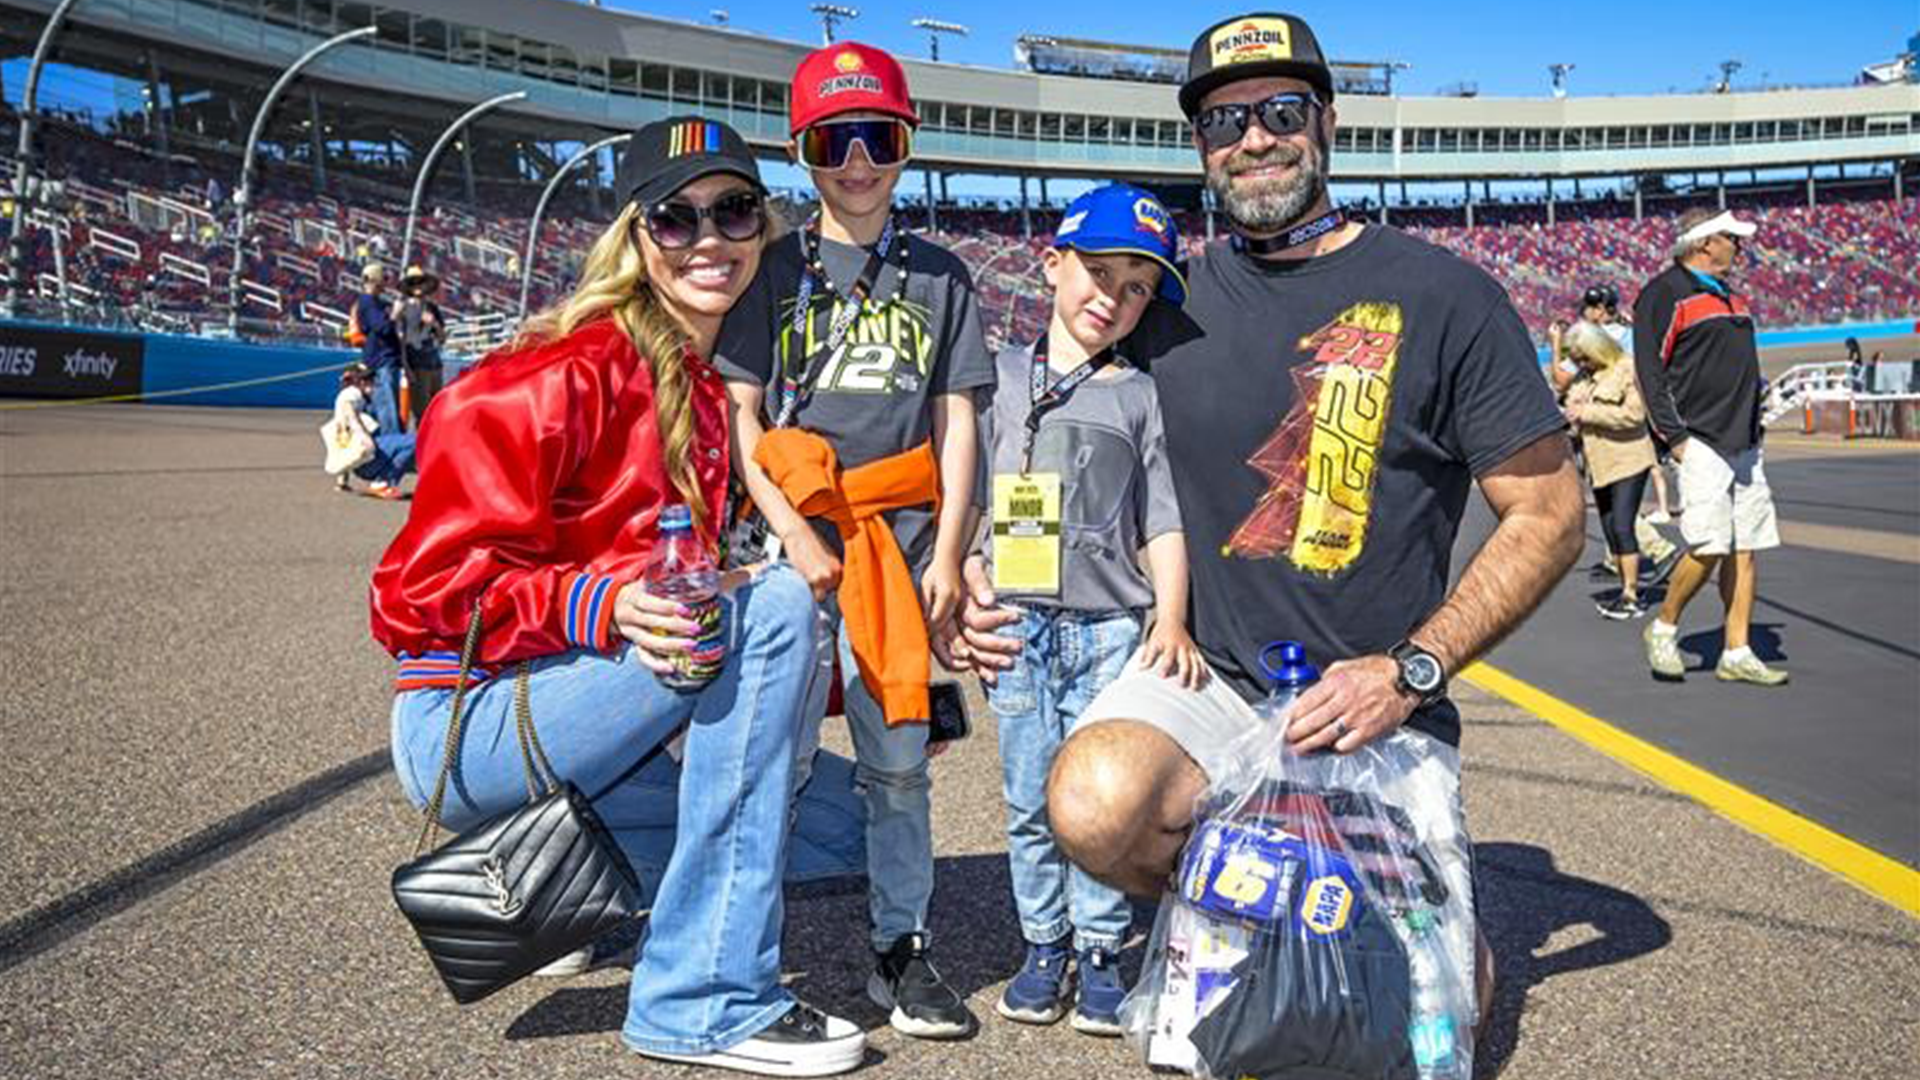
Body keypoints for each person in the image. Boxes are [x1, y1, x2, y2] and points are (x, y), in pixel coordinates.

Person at [943, 10, 1585, 1035]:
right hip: (1208, 681)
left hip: (1368, 699)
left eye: (1280, 111)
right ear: (1200, 148)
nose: (1253, 139)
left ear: (1325, 122)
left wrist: (1412, 670)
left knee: (1430, 1012)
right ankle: (1267, 905)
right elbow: (1049, 437)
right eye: (1223, 122)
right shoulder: (1164, 303)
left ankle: (1316, 908)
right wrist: (979, 572)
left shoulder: (1449, 296)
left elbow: (1550, 514)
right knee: (1092, 802)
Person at [370, 116, 866, 1078]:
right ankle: (701, 998)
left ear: (762, 228)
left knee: (852, 826)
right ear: (637, 238)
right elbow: (417, 596)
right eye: (676, 219)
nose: (709, 238)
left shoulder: (697, 384)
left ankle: (569, 893)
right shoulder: (555, 374)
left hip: (592, 709)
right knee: (764, 607)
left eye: (732, 211)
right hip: (466, 718)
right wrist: (599, 606)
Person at [716, 41, 994, 1040]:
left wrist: (951, 551)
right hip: (793, 548)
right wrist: (788, 532)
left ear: (907, 144)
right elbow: (741, 416)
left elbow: (958, 422)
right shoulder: (769, 269)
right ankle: (739, 948)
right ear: (806, 150)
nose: (859, 160)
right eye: (837, 139)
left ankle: (900, 947)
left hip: (900, 550)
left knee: (900, 762)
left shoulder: (943, 276)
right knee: (772, 759)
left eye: (880, 136)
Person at [977, 183, 1200, 1036]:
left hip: (1111, 629)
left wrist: (1170, 618)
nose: (1111, 296)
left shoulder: (1139, 395)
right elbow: (960, 495)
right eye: (1096, 271)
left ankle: (1102, 947)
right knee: (1031, 798)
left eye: (1137, 285)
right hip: (1019, 628)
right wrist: (964, 570)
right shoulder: (996, 378)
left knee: (1104, 802)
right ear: (1052, 266)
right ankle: (1045, 945)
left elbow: (1164, 519)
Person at [1633, 208, 1788, 686]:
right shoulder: (1664, 294)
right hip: (1699, 439)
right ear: (1703, 242)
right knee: (1708, 545)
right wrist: (1674, 438)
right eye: (1731, 238)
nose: (1739, 246)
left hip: (1744, 439)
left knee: (1745, 546)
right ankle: (1663, 626)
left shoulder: (1734, 299)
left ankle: (1736, 650)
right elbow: (1648, 372)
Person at [1561, 321, 1673, 618]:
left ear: (1599, 348)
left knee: (1623, 525)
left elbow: (1634, 416)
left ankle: (1631, 595)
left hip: (1628, 459)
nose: (1581, 364)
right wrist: (1568, 419)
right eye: (1577, 360)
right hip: (1598, 465)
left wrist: (1588, 412)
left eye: (1584, 357)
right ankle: (1627, 587)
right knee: (1611, 530)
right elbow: (1573, 416)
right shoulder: (1583, 379)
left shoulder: (1626, 369)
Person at [324, 362, 414, 499]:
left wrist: (342, 481)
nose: (370, 382)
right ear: (355, 381)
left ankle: (383, 482)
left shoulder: (360, 400)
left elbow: (343, 439)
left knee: (406, 442)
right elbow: (347, 405)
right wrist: (363, 437)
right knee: (415, 441)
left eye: (371, 378)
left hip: (362, 462)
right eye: (365, 379)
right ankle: (383, 483)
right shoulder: (352, 393)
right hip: (368, 458)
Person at [346, 262, 403, 434]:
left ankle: (388, 441)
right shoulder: (368, 302)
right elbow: (382, 328)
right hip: (381, 359)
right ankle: (393, 444)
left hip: (381, 357)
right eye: (383, 279)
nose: (386, 283)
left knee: (382, 405)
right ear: (374, 280)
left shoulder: (372, 302)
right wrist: (394, 315)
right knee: (387, 406)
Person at [394, 264, 447, 426]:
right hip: (417, 365)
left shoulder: (432, 308)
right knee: (422, 413)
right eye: (414, 283)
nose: (418, 286)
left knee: (438, 410)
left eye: (421, 282)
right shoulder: (403, 308)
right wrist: (407, 368)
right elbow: (399, 340)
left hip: (434, 364)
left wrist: (435, 325)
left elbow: (442, 338)